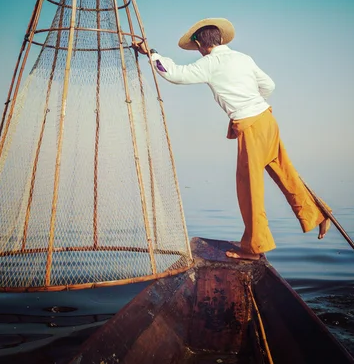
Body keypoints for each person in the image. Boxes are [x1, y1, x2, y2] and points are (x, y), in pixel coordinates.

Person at [133, 18, 331, 261]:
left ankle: (253, 248)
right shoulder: (243, 58)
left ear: (199, 44)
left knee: (249, 187)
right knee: (285, 172)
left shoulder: (209, 63)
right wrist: (250, 98)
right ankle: (317, 214)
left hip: (250, 126)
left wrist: (151, 55)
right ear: (221, 40)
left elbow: (174, 74)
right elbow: (269, 85)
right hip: (267, 119)